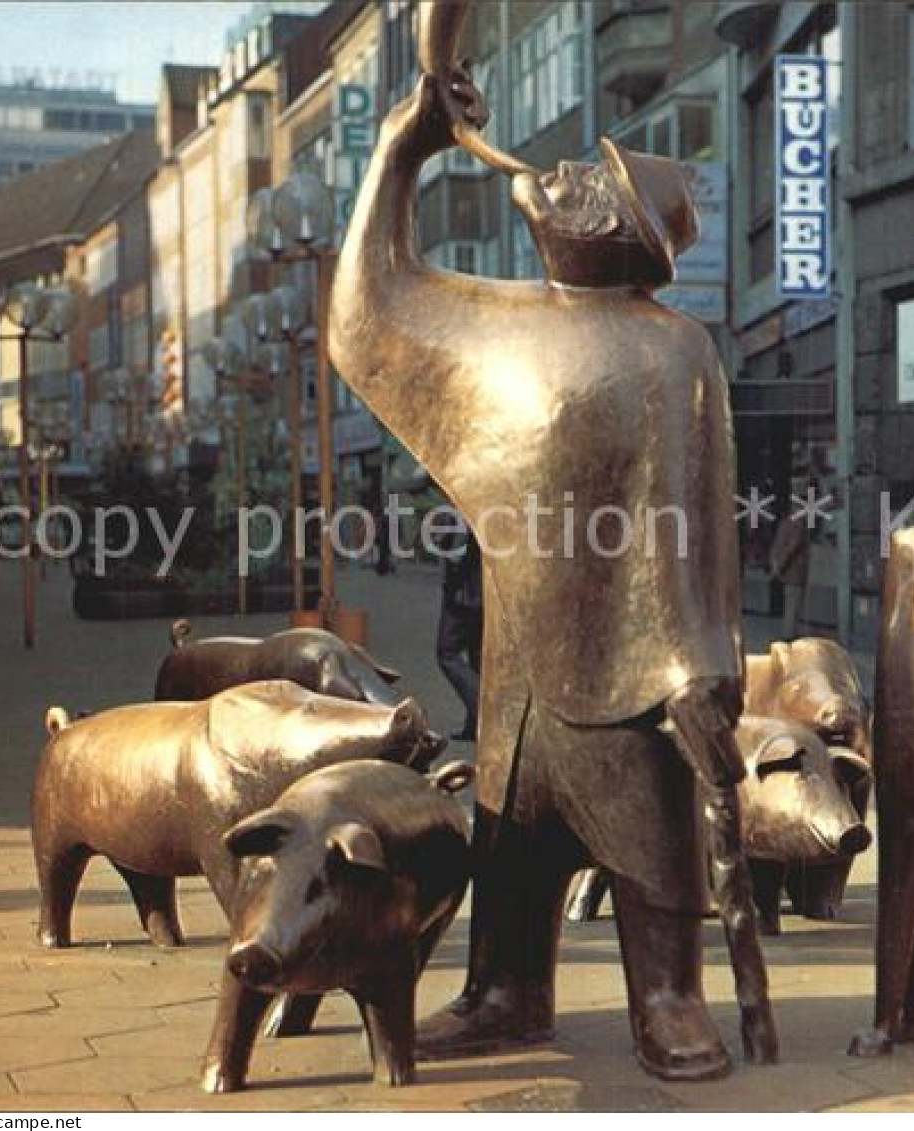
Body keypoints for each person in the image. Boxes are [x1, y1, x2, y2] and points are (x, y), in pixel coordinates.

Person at [328, 54, 756, 1080]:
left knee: (648, 834)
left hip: (626, 647)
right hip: (517, 644)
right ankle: (507, 986)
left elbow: (699, 516)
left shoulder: (670, 349)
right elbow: (366, 312)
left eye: (587, 175)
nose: (558, 173)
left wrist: (701, 659)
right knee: (510, 834)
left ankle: (668, 993)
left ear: (617, 228)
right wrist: (397, 155)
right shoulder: (494, 317)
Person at [434, 523, 482, 741]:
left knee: (447, 652)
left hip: (465, 589)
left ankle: (483, 707)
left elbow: (457, 551)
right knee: (477, 654)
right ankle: (475, 725)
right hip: (484, 587)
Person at [769, 486, 810, 640]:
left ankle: (791, 632)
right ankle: (789, 634)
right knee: (793, 604)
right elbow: (793, 546)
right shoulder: (799, 523)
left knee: (791, 602)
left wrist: (775, 564)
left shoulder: (785, 522)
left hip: (786, 570)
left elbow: (777, 545)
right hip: (794, 570)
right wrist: (780, 565)